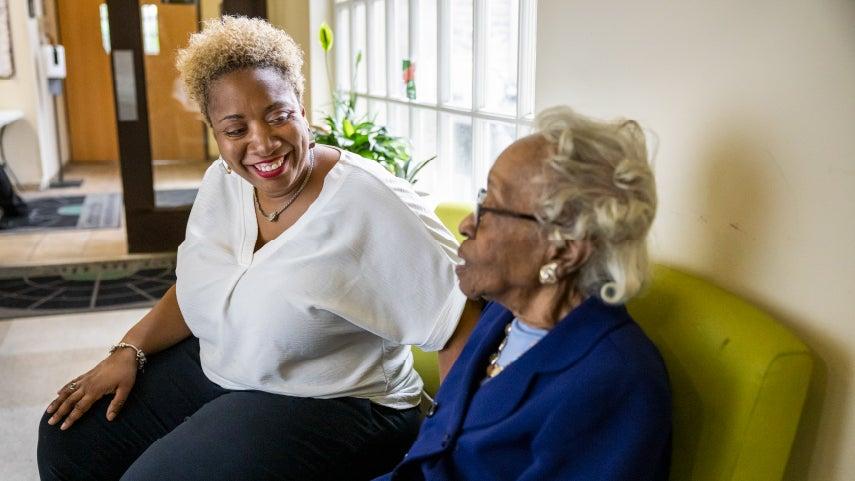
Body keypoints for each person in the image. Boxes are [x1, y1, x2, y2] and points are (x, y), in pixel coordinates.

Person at [37, 16, 478, 481]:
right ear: (214, 131)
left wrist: (450, 452)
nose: (262, 143)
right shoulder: (222, 183)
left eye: (278, 115)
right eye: (236, 129)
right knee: (70, 439)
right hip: (224, 372)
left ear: (302, 108)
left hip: (339, 401)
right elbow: (198, 290)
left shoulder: (368, 201)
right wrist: (128, 351)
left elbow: (462, 321)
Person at [377, 106, 672, 480]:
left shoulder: (617, 381)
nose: (468, 223)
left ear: (565, 249)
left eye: (491, 208)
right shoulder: (503, 314)